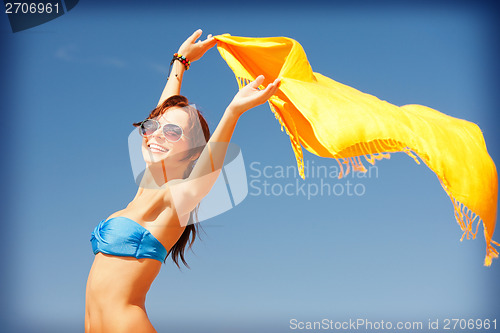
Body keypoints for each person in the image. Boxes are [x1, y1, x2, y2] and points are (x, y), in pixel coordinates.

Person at [84, 29, 280, 333]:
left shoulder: (175, 198)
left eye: (173, 134)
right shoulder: (147, 185)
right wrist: (181, 61)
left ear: (191, 155)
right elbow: (163, 116)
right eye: (152, 127)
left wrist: (233, 111)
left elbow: (203, 177)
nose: (157, 134)